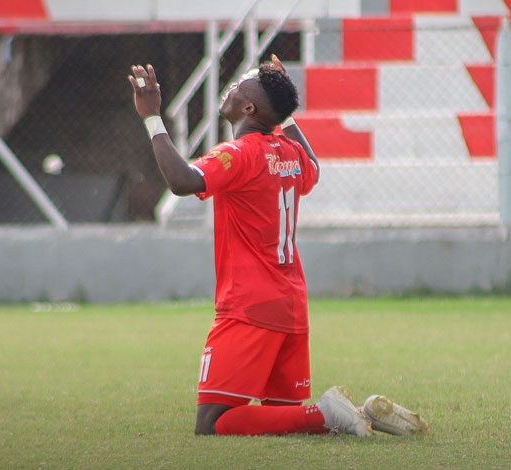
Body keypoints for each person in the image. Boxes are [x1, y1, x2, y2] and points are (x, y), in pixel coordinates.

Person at [128, 55, 428, 437]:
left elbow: (183, 180)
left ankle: (323, 414)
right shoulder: (289, 153)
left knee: (212, 422)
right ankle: (358, 412)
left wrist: (151, 117)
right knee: (283, 420)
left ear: (247, 108)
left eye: (238, 89)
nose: (230, 91)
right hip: (290, 307)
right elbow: (314, 168)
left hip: (248, 306)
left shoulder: (240, 153)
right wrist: (284, 114)